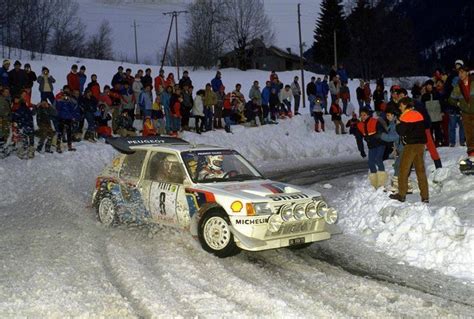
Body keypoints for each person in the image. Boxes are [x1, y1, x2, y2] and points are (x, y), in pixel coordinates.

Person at [390, 97, 429, 203]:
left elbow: (401, 132)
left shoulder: (405, 116)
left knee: (403, 170)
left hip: (410, 146)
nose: (400, 107)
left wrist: (398, 124)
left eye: (401, 105)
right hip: (421, 145)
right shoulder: (418, 114)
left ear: (405, 105)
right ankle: (425, 197)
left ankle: (401, 194)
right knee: (420, 171)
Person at [449, 66, 474, 165]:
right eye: (459, 73)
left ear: (467, 73)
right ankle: (472, 154)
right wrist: (459, 104)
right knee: (469, 134)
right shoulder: (458, 86)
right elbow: (451, 99)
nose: (460, 75)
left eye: (462, 72)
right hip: (465, 113)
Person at [357, 107, 387, 189]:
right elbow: (359, 139)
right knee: (370, 162)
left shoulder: (375, 122)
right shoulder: (359, 125)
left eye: (364, 115)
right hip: (372, 146)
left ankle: (381, 182)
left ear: (368, 115)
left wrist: (376, 136)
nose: (362, 117)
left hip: (380, 144)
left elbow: (382, 132)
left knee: (378, 159)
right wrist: (361, 150)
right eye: (361, 115)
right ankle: (374, 183)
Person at [12, 92, 36, 159]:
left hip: (24, 125)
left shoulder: (21, 107)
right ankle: (26, 152)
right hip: (24, 125)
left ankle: (28, 152)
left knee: (27, 139)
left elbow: (28, 115)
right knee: (25, 139)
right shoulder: (17, 107)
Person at [422, 79, 443, 146]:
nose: (428, 87)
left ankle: (439, 141)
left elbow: (442, 103)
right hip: (428, 115)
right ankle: (431, 143)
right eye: (427, 85)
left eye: (429, 85)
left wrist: (442, 111)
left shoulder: (437, 94)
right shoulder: (424, 96)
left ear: (432, 86)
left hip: (437, 114)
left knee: (437, 129)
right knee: (429, 130)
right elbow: (422, 106)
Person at [0, 87, 12, 158]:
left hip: (5, 119)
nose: (7, 93)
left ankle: (3, 149)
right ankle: (1, 150)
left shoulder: (5, 99)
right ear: (2, 92)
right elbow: (2, 110)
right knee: (2, 134)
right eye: (6, 92)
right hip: (3, 119)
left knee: (5, 134)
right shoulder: (1, 100)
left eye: (8, 92)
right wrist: (7, 113)